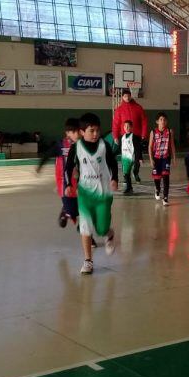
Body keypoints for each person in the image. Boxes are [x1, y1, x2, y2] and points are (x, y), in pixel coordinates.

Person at [64, 113, 118, 275]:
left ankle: (108, 233)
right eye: (91, 131)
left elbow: (113, 163)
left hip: (103, 194)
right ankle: (88, 261)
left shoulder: (104, 146)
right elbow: (67, 168)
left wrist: (114, 178)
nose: (95, 134)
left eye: (97, 131)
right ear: (82, 132)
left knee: (101, 229)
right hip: (85, 194)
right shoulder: (76, 148)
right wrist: (68, 184)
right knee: (86, 228)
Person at [112, 89, 148, 166]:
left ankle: (136, 168)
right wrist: (115, 136)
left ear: (131, 96)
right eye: (125, 96)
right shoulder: (119, 110)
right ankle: (127, 171)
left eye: (128, 96)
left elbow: (144, 121)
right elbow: (116, 124)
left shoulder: (138, 107)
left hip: (136, 134)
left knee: (137, 152)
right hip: (124, 135)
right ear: (122, 97)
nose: (127, 98)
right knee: (126, 154)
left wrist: (143, 134)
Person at [148, 112, 176, 205]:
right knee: (157, 177)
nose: (163, 121)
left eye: (164, 120)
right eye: (161, 119)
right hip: (156, 158)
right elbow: (150, 147)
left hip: (166, 157)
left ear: (166, 121)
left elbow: (172, 145)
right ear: (157, 121)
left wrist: (174, 158)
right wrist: (151, 159)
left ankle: (165, 197)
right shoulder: (153, 132)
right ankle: (157, 189)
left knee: (166, 176)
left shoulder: (170, 132)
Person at [120, 120, 143, 194]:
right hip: (125, 158)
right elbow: (121, 147)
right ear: (123, 127)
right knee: (126, 174)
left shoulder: (134, 137)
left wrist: (140, 158)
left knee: (135, 169)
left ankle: (135, 174)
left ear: (131, 127)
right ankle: (129, 188)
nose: (126, 127)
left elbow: (138, 148)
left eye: (128, 126)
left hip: (133, 157)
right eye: (125, 126)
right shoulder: (122, 137)